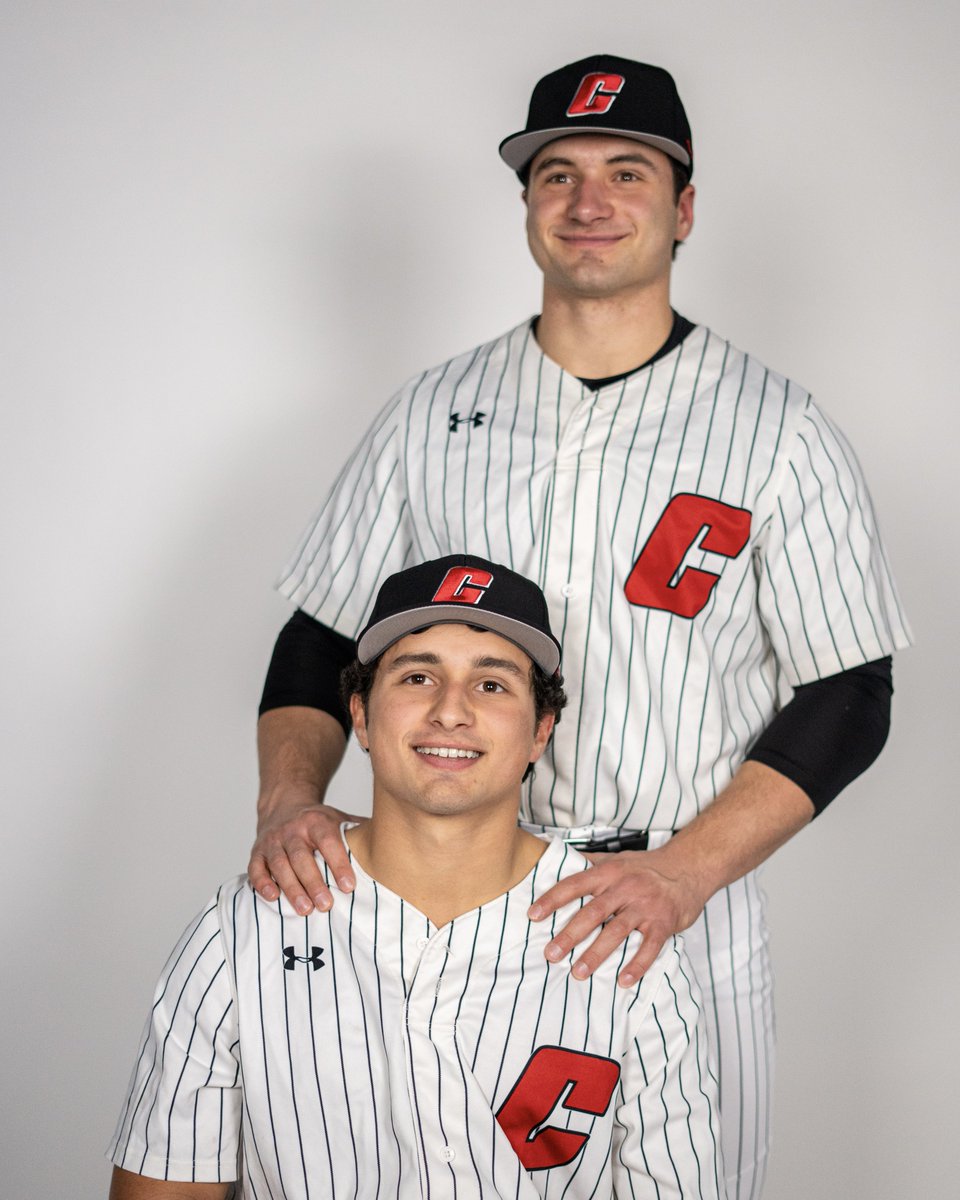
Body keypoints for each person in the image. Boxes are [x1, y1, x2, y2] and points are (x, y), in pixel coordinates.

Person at [250, 55, 912, 1198]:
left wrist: (682, 876)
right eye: (556, 173)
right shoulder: (431, 412)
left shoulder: (777, 430)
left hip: (673, 904)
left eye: (627, 172)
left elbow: (849, 694)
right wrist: (289, 802)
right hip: (443, 900)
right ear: (525, 209)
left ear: (684, 206)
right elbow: (320, 633)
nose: (589, 201)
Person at [108, 555, 726, 1199]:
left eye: (492, 685)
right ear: (363, 717)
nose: (450, 711)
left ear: (541, 730)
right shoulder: (242, 930)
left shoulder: (626, 944)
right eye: (417, 677)